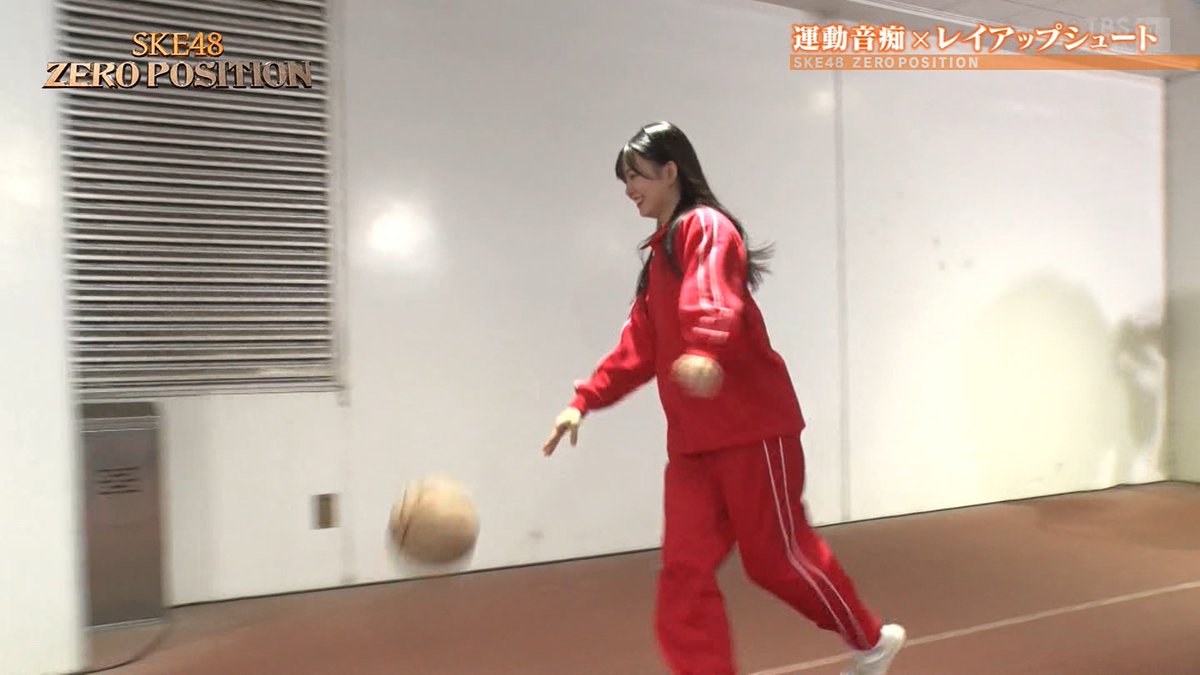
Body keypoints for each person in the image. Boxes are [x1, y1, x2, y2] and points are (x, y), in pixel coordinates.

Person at [541, 121, 905, 675]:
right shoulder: (657, 260)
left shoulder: (705, 227)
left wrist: (704, 348)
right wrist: (583, 402)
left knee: (776, 560)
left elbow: (712, 293)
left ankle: (870, 640)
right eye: (624, 181)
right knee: (683, 570)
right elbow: (638, 347)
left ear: (670, 171)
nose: (629, 189)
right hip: (693, 447)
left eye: (636, 176)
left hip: (752, 431)